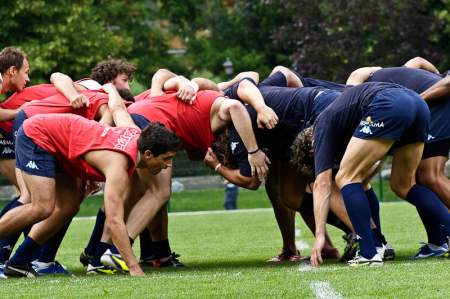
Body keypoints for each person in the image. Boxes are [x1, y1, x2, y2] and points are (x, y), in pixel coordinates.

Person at [82, 69, 272, 273]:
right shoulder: (222, 102)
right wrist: (253, 151)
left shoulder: (201, 109)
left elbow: (195, 151)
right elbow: (235, 105)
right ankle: (116, 251)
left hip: (140, 122)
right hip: (149, 126)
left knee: (135, 195)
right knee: (159, 192)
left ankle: (97, 257)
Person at [1, 84, 180, 277]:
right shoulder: (118, 166)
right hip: (37, 134)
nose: (167, 165)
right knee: (42, 206)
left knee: (68, 206)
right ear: (148, 154)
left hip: (56, 142)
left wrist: (111, 89)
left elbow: (118, 108)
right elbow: (114, 221)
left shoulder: (134, 131)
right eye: (166, 159)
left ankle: (19, 261)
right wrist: (134, 268)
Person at [294, 81, 450, 267]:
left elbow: (322, 183)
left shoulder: (321, 127)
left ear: (312, 148)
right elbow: (374, 161)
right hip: (418, 103)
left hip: (390, 102)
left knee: (345, 178)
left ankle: (369, 253)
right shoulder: (345, 126)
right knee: (404, 184)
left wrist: (319, 235)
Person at [348, 60, 450, 257]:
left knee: (430, 176)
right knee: (420, 180)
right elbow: (419, 61)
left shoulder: (363, 91)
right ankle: (437, 242)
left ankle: (439, 240)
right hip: (434, 110)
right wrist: (435, 77)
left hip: (438, 110)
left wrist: (417, 99)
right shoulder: (394, 74)